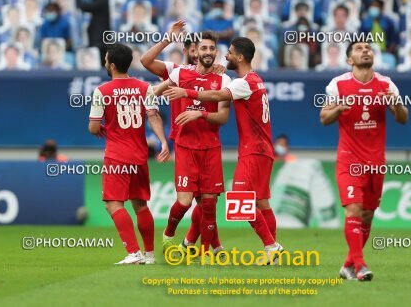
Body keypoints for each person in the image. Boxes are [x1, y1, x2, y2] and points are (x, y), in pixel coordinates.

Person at [163, 37, 284, 263]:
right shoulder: (255, 80)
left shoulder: (243, 82)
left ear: (239, 57)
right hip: (263, 150)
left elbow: (218, 95)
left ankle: (271, 245)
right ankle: (270, 250)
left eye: (229, 53)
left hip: (253, 150)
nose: (224, 56)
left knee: (239, 200)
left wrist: (187, 94)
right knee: (261, 203)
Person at [320, 41, 408, 281]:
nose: (365, 50)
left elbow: (403, 118)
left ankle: (348, 265)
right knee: (354, 209)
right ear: (350, 60)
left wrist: (396, 104)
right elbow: (324, 117)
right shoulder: (338, 84)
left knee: (367, 215)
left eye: (368, 48)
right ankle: (360, 266)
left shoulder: (386, 84)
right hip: (349, 159)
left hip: (376, 162)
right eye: (359, 49)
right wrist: (339, 108)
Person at [141, 21, 227, 255]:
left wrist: (197, 107)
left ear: (215, 52)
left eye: (211, 49)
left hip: (210, 146)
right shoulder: (177, 71)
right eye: (200, 48)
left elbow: (222, 114)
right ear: (193, 52)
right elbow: (147, 70)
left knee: (207, 203)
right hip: (185, 144)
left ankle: (204, 247)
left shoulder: (222, 78)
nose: (204, 52)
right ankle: (177, 237)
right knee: (189, 201)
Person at [88, 43, 170, 265]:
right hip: (139, 155)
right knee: (141, 205)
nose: (105, 63)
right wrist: (163, 142)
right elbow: (153, 116)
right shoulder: (145, 88)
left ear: (112, 65)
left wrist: (106, 129)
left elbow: (94, 128)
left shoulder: (101, 91)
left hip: (116, 155)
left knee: (113, 204)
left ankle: (133, 252)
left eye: (106, 60)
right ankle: (150, 255)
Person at [74, 0, 110, 65]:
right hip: (96, 37)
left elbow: (87, 7)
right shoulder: (99, 0)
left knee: (101, 58)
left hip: (100, 39)